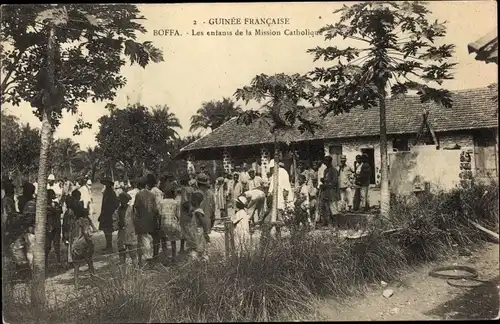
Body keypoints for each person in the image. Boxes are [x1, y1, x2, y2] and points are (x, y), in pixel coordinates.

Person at [263, 159, 292, 239]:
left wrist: (285, 198)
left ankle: (284, 233)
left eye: (272, 168)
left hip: (281, 198)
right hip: (275, 199)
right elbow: (271, 189)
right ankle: (277, 234)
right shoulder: (274, 175)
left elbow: (286, 187)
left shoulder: (283, 172)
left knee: (282, 215)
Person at [133, 176, 159, 267]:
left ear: (139, 185)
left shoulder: (138, 194)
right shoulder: (152, 194)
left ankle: (147, 260)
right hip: (151, 220)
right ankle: (147, 259)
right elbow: (155, 209)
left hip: (141, 221)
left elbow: (136, 208)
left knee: (143, 241)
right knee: (149, 240)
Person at [184, 191, 211, 261]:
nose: (190, 202)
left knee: (200, 248)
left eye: (192, 200)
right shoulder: (195, 211)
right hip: (196, 232)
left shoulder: (198, 212)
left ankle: (202, 262)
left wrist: (206, 232)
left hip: (198, 233)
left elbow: (203, 222)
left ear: (195, 202)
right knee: (197, 248)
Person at [158, 188, 182, 263]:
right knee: (173, 241)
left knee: (164, 241)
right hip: (173, 223)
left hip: (164, 223)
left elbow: (159, 213)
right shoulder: (176, 202)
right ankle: (174, 258)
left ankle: (166, 258)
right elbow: (178, 214)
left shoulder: (161, 202)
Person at [114, 192, 138, 266]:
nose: (123, 203)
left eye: (124, 201)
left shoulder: (132, 210)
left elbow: (136, 220)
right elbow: (114, 221)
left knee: (133, 253)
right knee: (121, 253)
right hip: (121, 234)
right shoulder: (117, 210)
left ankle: (136, 268)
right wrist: (117, 225)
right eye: (121, 201)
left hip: (131, 233)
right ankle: (123, 270)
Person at [99, 177, 119, 253]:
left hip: (109, 214)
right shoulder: (106, 192)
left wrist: (111, 211)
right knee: (105, 230)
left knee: (108, 231)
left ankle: (110, 247)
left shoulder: (111, 192)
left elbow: (116, 203)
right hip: (105, 214)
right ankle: (108, 246)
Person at [320, 155, 340, 228]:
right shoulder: (325, 170)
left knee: (334, 209)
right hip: (326, 192)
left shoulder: (334, 170)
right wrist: (323, 181)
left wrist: (326, 185)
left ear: (329, 161)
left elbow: (334, 182)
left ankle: (336, 224)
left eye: (326, 161)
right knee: (326, 208)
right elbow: (327, 181)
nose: (325, 163)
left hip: (332, 192)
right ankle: (329, 223)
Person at [45, 189, 63, 266]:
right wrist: (54, 211)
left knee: (56, 245)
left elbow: (60, 211)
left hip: (55, 226)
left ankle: (58, 261)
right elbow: (57, 211)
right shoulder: (45, 205)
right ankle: (46, 262)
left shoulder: (54, 204)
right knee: (47, 246)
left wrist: (51, 210)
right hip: (49, 227)